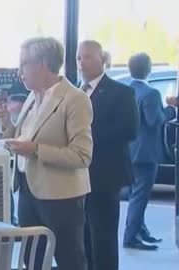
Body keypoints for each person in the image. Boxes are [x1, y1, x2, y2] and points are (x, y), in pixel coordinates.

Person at [0, 37, 93, 270]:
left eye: (24, 64)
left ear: (42, 63)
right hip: (28, 191)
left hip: (62, 197)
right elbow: (22, 138)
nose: (19, 72)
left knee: (70, 259)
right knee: (32, 260)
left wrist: (37, 151)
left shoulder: (75, 99)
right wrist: (6, 122)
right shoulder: (32, 95)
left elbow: (82, 155)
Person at [77, 40, 139, 270]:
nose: (82, 63)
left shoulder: (121, 92)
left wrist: (85, 136)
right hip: (77, 175)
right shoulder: (74, 92)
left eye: (88, 57)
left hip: (105, 175)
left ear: (103, 60)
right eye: (79, 58)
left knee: (103, 236)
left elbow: (130, 129)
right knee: (82, 236)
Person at [123, 53, 165, 250]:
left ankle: (140, 230)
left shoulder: (125, 90)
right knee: (140, 195)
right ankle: (131, 236)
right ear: (148, 69)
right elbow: (154, 120)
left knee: (134, 193)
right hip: (146, 153)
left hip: (129, 151)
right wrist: (169, 110)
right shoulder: (151, 93)